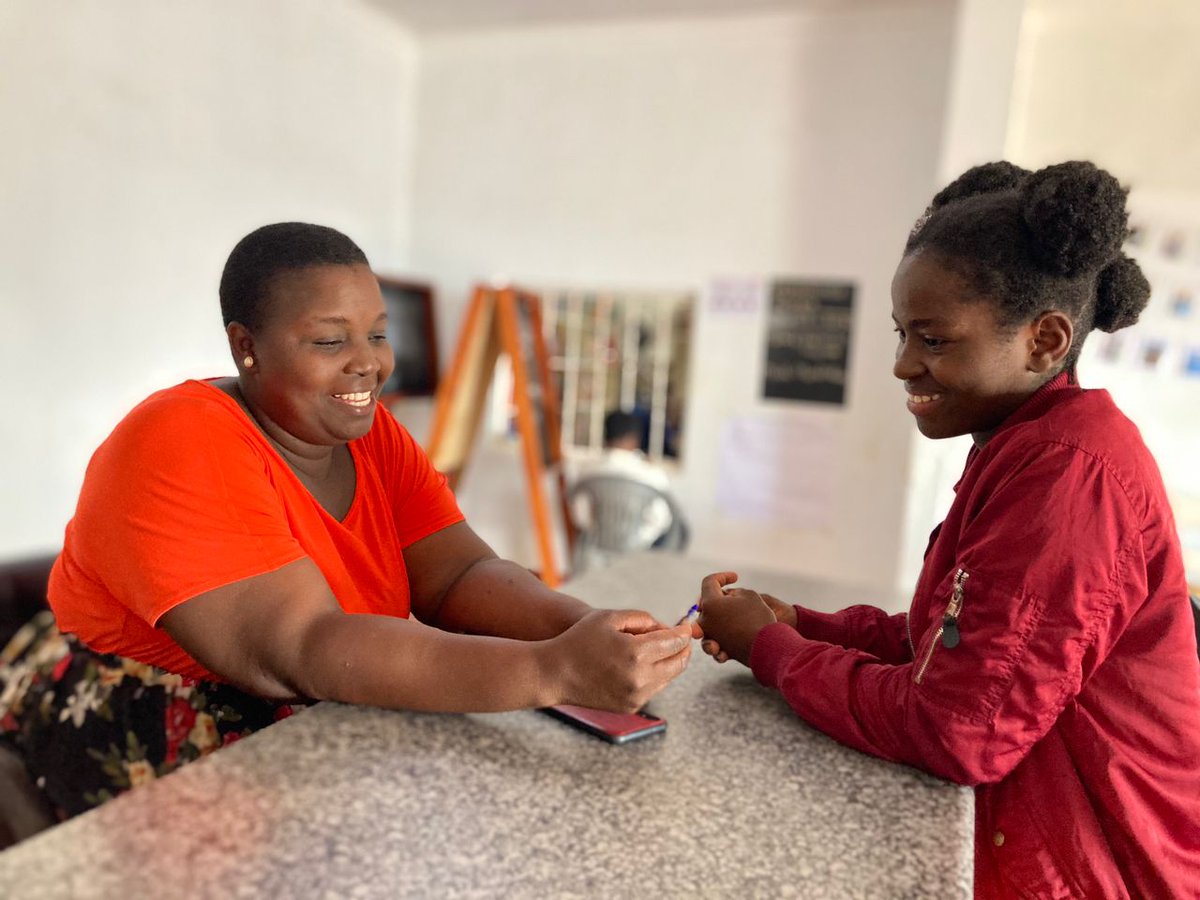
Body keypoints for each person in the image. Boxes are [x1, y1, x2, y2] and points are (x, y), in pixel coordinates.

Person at [0, 222, 693, 820]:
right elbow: (303, 645)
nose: (369, 363)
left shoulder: (371, 434)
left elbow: (459, 574)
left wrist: (593, 633)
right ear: (246, 347)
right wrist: (549, 671)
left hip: (311, 698)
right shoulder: (181, 439)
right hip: (139, 716)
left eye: (378, 334)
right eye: (331, 341)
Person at [695, 161, 1200, 896]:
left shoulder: (1070, 477)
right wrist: (802, 624)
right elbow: (950, 644)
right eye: (902, 335)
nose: (904, 365)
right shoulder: (1026, 447)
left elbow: (961, 729)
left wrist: (770, 651)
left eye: (933, 341)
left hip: (1100, 866)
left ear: (1043, 340)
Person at [570, 410, 681, 550]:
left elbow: (580, 514)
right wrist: (640, 539)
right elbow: (661, 519)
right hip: (638, 551)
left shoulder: (588, 470)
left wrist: (600, 531)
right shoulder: (651, 474)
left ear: (605, 435)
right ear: (634, 438)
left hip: (595, 548)